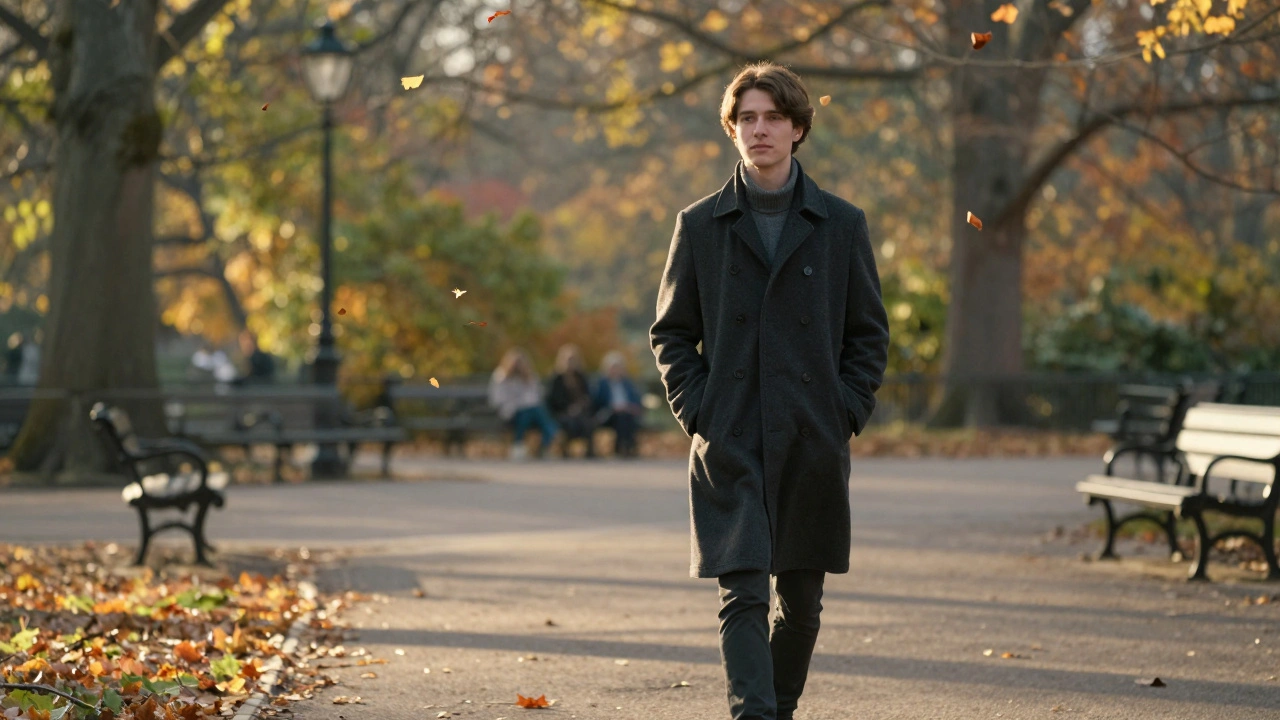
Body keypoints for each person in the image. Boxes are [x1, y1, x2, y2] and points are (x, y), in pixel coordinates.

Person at [649, 62, 889, 720]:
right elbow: (671, 334)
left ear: (798, 129)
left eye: (773, 118)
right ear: (731, 130)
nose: (760, 129)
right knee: (743, 593)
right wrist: (700, 411)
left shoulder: (841, 224)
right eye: (747, 118)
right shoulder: (699, 225)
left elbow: (867, 335)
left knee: (802, 607)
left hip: (811, 434)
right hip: (731, 433)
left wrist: (844, 409)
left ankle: (774, 709)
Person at [488, 347, 558, 460]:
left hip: (530, 411)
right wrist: (518, 403)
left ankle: (519, 444)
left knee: (532, 412)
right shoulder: (501, 377)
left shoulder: (530, 377)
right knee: (531, 413)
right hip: (510, 412)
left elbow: (536, 396)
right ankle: (546, 442)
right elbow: (497, 399)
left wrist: (524, 401)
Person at [547, 344, 597, 458]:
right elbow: (552, 400)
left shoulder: (581, 377)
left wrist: (581, 406)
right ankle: (566, 451)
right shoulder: (556, 379)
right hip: (562, 412)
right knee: (570, 422)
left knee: (587, 422)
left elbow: (588, 396)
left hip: (580, 411)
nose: (571, 363)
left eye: (573, 360)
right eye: (568, 360)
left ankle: (589, 451)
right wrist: (568, 408)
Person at [592, 350, 644, 458]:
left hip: (626, 413)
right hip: (608, 413)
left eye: (618, 367)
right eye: (613, 367)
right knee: (621, 417)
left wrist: (631, 407)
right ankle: (622, 447)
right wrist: (613, 407)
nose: (616, 370)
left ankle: (627, 446)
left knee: (626, 417)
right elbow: (597, 401)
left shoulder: (627, 383)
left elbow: (636, 400)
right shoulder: (602, 383)